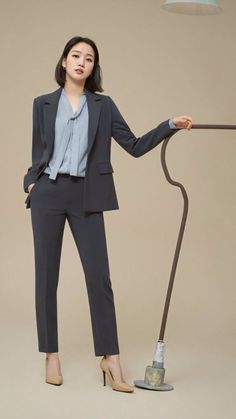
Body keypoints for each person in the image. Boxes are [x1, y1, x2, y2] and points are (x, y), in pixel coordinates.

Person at [23, 35, 193, 392]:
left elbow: (132, 145)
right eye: (75, 55)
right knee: (45, 277)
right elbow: (39, 153)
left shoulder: (103, 105)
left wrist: (168, 126)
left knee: (99, 277)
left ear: (93, 67)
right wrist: (31, 182)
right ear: (64, 61)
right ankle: (50, 354)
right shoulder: (42, 104)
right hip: (49, 194)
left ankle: (110, 358)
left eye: (88, 58)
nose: (81, 62)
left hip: (87, 194)